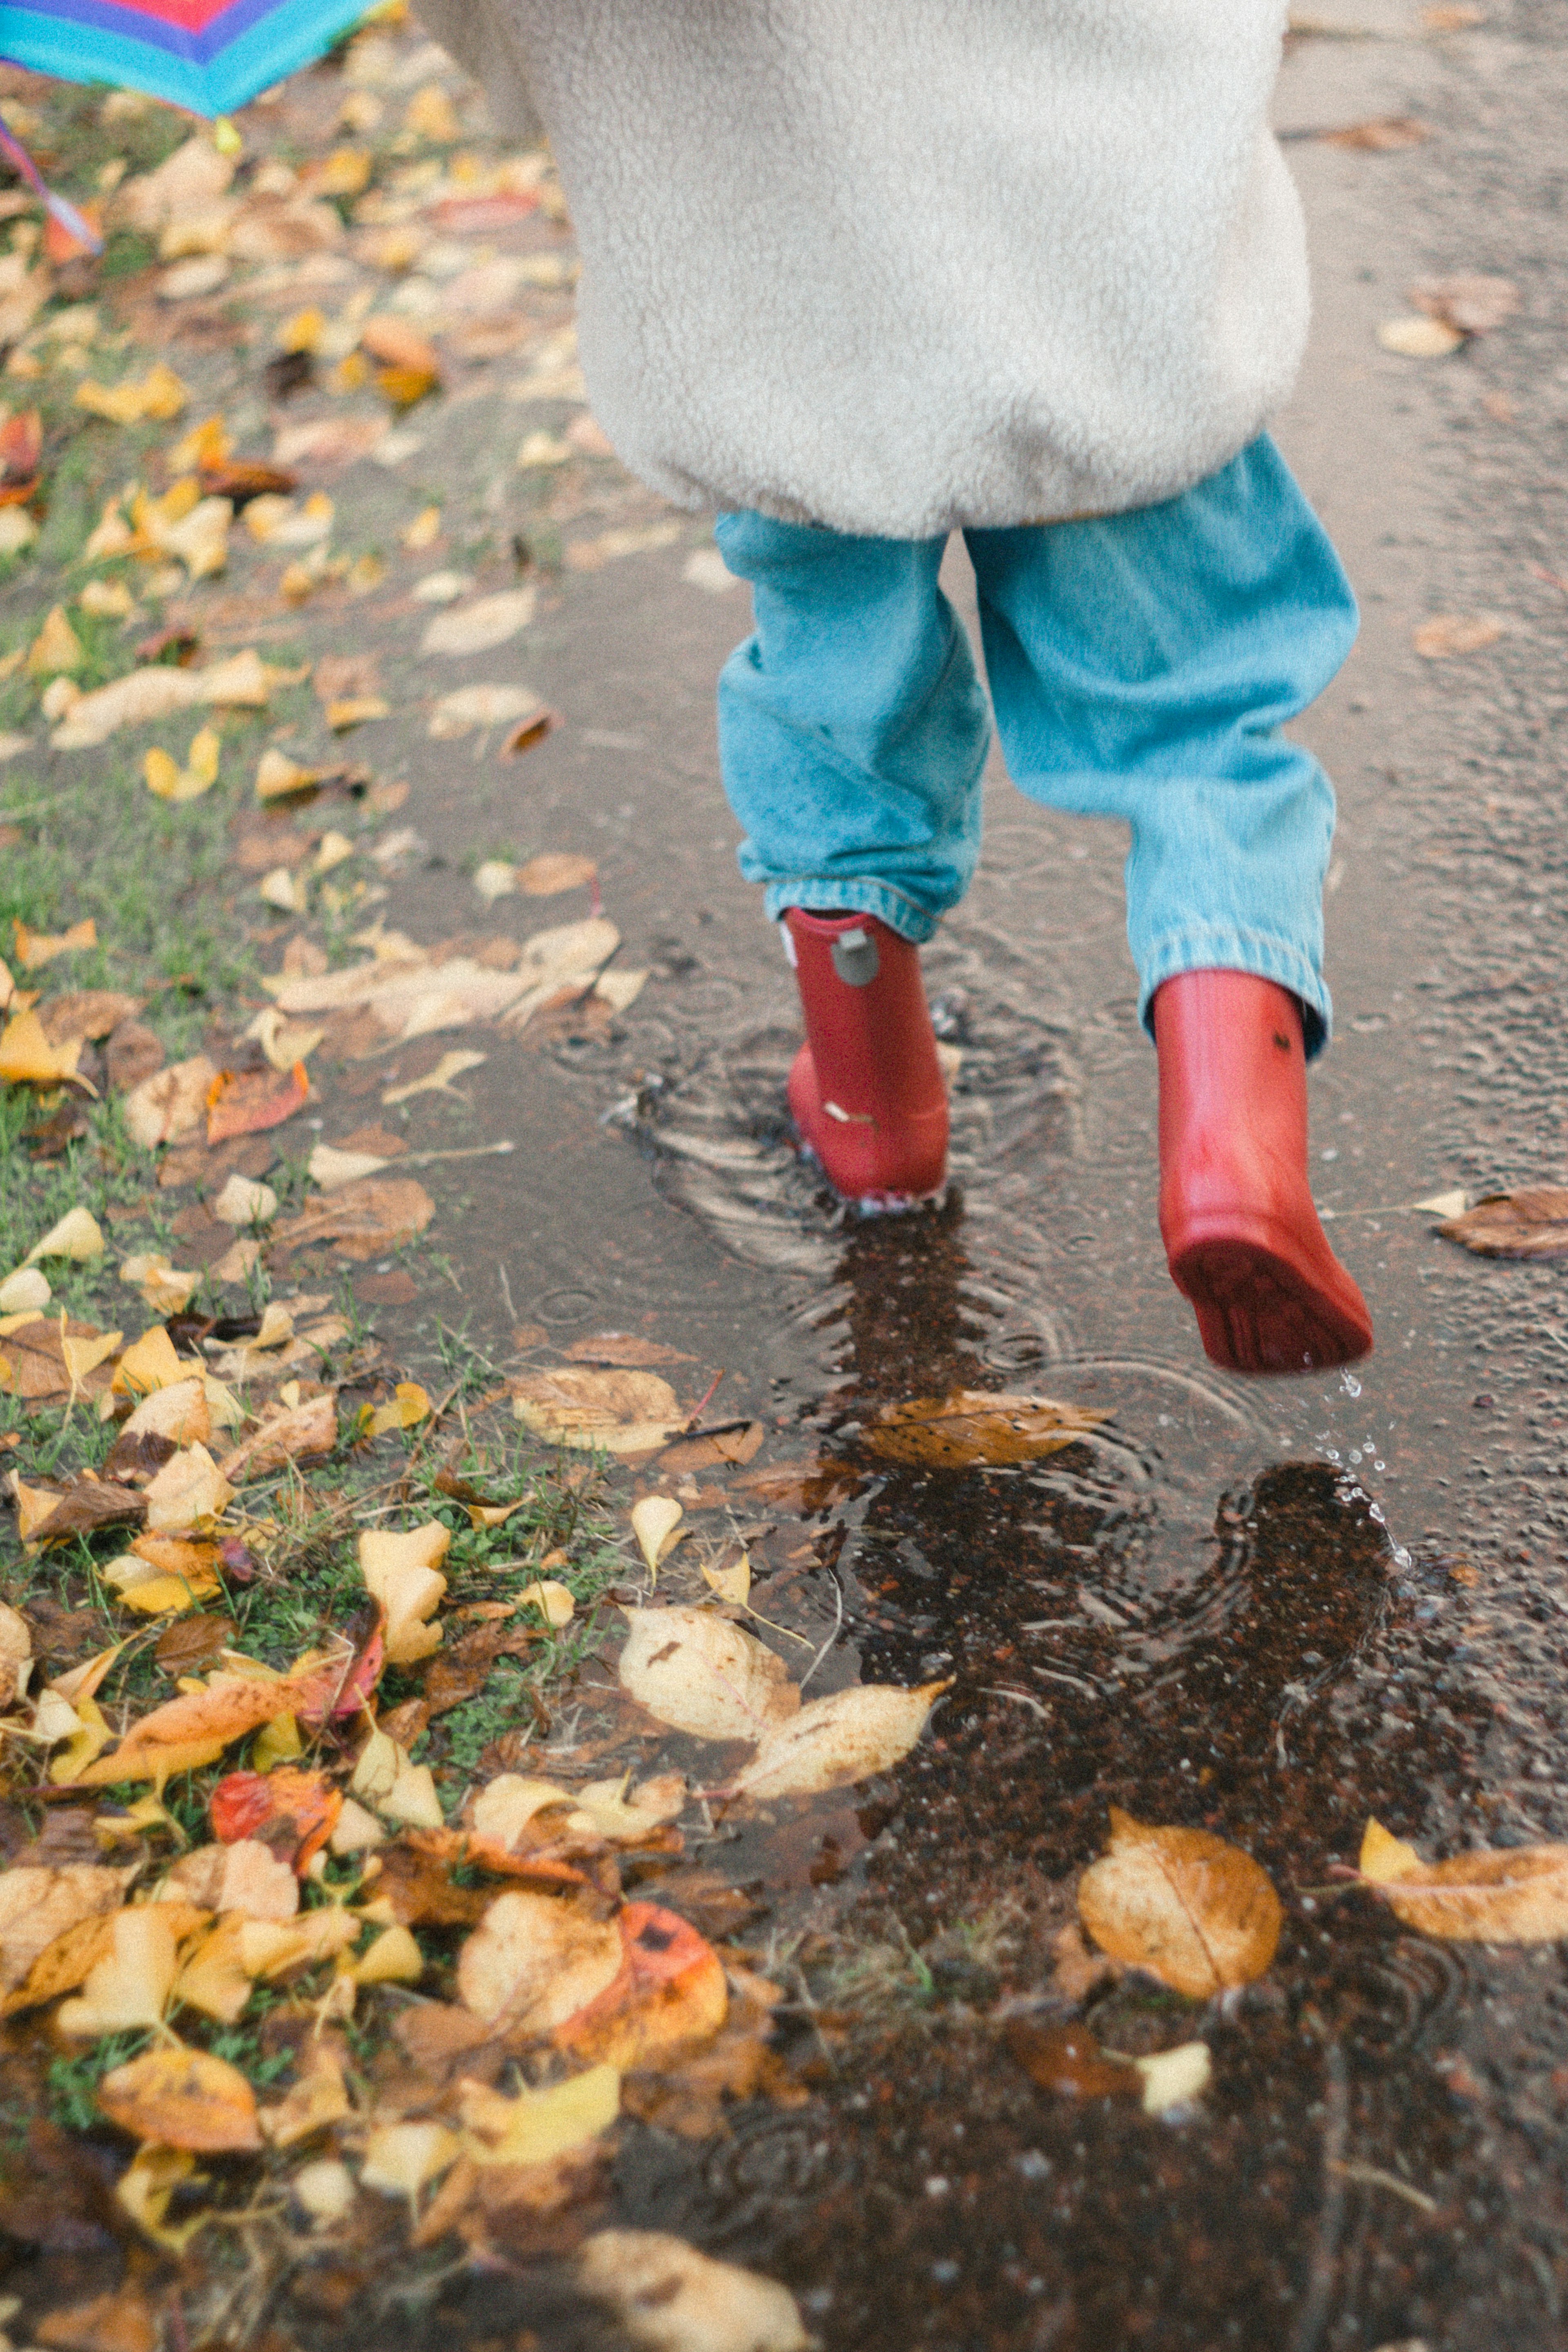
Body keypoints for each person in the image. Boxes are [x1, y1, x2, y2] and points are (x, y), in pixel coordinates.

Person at [414, 0, 1374, 1378]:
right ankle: (1233, 1127)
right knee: (1195, 706)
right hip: (1084, 253)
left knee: (835, 693)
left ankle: (874, 1110)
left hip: (774, 295)